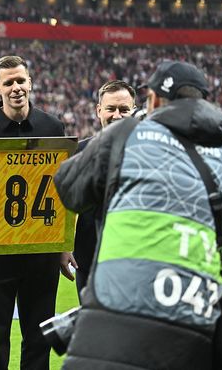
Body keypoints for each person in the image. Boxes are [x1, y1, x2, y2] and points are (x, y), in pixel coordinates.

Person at [54, 60, 222, 370]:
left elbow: (68, 189)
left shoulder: (126, 135)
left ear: (153, 101)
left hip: (112, 324)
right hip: (193, 327)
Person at [0, 55, 67, 369]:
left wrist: (63, 245)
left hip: (40, 250)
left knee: (39, 336)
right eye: (9, 82)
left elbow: (60, 188)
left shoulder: (52, 126)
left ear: (30, 83)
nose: (16, 87)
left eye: (20, 80)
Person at [71, 80, 136, 299]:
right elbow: (63, 204)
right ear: (99, 111)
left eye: (124, 110)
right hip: (89, 261)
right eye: (111, 109)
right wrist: (62, 247)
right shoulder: (78, 152)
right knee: (92, 330)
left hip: (134, 261)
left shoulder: (149, 153)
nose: (117, 115)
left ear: (133, 112)